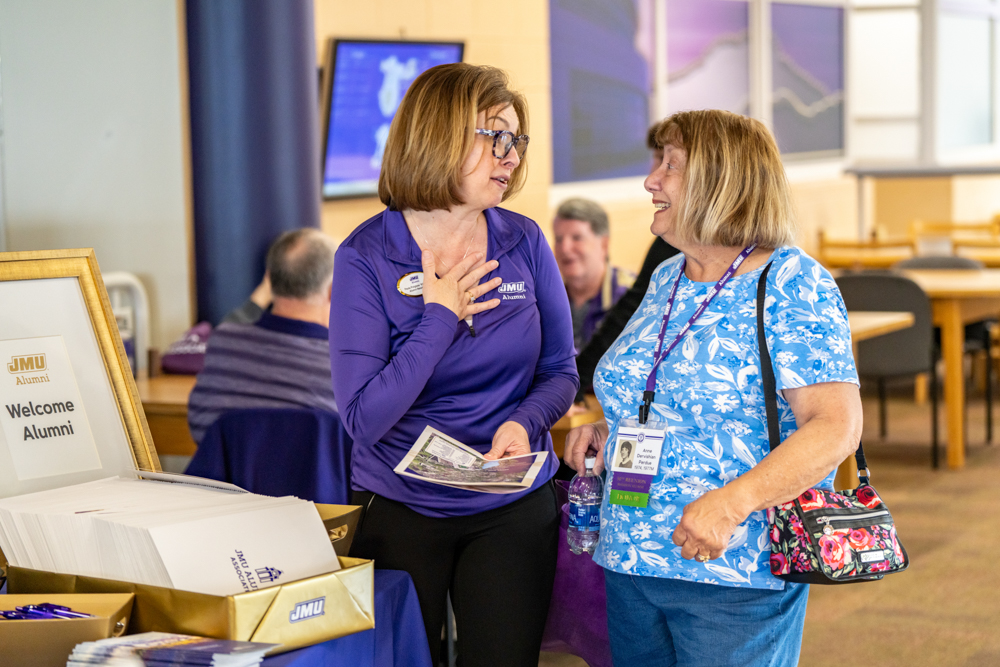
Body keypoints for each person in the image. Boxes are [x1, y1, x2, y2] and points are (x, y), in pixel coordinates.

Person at [564, 109, 862, 667]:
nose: (651, 181)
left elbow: (837, 426)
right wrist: (609, 426)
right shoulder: (667, 276)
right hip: (631, 557)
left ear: (721, 181)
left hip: (730, 567)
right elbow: (665, 394)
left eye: (670, 166)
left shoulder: (793, 282)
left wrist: (732, 504)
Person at [329, 63, 577, 666]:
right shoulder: (365, 257)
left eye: (515, 140)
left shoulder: (523, 240)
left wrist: (526, 423)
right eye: (493, 136)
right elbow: (363, 419)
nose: (510, 155)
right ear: (438, 137)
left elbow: (561, 372)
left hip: (510, 501)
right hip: (401, 503)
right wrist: (438, 317)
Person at [187, 228, 338, 444]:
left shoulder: (224, 343)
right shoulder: (346, 366)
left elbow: (198, 429)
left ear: (269, 281)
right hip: (315, 478)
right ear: (334, 290)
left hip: (223, 478)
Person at [552, 197, 635, 350]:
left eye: (577, 238)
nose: (564, 248)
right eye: (558, 239)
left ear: (604, 244)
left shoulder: (632, 297)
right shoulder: (546, 299)